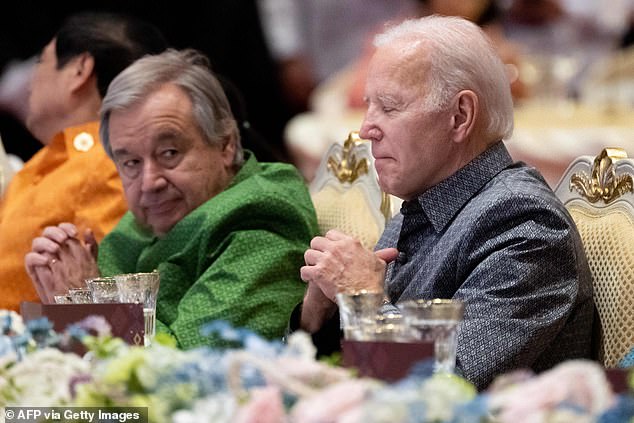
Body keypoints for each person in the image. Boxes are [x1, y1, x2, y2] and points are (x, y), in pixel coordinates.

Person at [293, 15, 594, 390]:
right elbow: (354, 375)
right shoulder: (427, 201)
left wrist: (362, 298)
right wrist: (318, 318)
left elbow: (443, 392)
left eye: (388, 107)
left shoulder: (524, 226)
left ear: (460, 116)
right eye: (369, 106)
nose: (366, 129)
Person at [25, 49, 318, 349]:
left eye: (169, 154)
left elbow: (189, 371)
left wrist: (90, 300)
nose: (150, 182)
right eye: (131, 163)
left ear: (226, 145)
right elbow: (80, 363)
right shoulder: (141, 225)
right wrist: (61, 302)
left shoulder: (261, 223)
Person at [0, 12, 168, 312]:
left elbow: (115, 314)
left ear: (80, 69)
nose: (32, 80)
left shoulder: (112, 166)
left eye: (41, 63)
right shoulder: (46, 163)